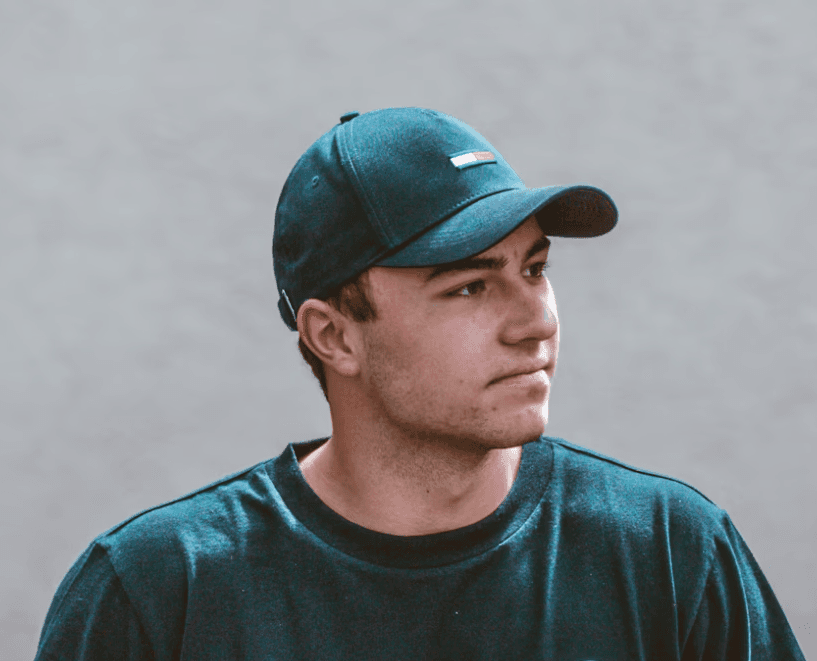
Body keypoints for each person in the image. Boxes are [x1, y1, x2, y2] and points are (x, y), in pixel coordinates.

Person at [34, 107, 805, 660]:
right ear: (333, 335)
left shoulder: (666, 550)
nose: (533, 320)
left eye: (534, 269)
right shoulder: (162, 591)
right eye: (469, 286)